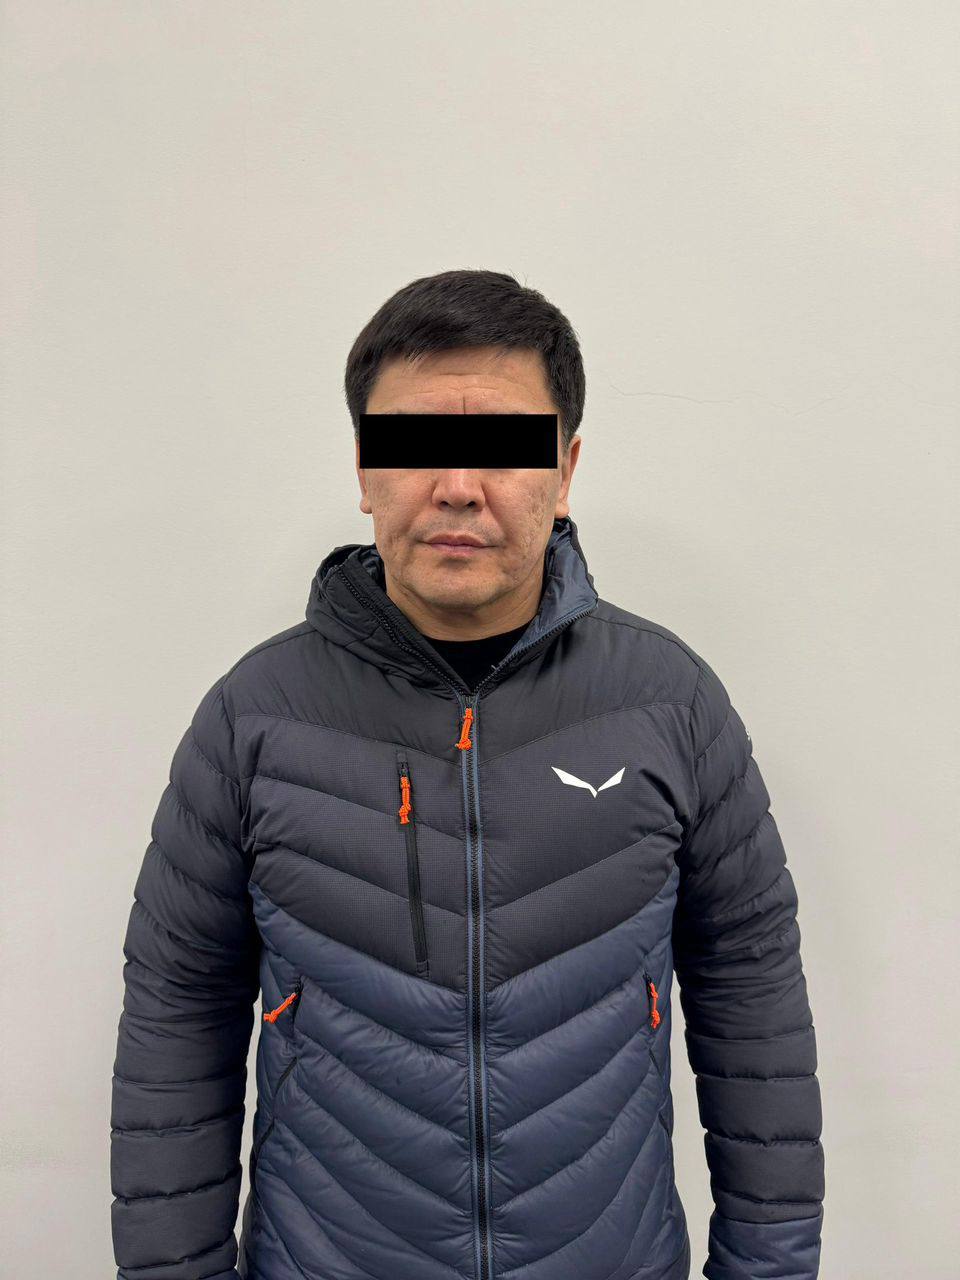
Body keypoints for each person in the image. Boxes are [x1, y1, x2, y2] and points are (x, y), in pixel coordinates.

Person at [109, 269, 824, 1280]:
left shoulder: (670, 703)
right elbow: (175, 1019)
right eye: (411, 446)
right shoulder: (255, 716)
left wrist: (771, 1267)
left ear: (565, 470)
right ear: (365, 470)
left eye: (503, 446)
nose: (456, 486)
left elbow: (755, 1001)